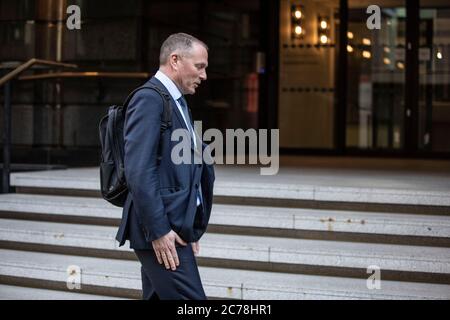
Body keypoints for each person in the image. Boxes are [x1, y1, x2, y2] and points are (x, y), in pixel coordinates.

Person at [115, 33, 215, 300]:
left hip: (175, 226)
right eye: (200, 66)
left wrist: (189, 224)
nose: (204, 76)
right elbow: (139, 170)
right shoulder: (149, 99)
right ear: (175, 60)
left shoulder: (177, 102)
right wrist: (159, 231)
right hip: (161, 231)